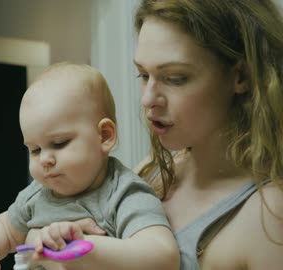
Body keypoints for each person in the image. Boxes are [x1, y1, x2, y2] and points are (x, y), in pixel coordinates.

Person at [25, 1, 283, 269]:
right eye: (143, 74)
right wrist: (52, 238)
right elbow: (31, 233)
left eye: (175, 78)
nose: (148, 99)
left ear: (241, 76)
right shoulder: (152, 173)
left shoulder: (270, 214)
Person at [0, 62, 179, 270]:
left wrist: (83, 246)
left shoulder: (124, 193)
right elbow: (5, 229)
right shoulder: (36, 196)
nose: (44, 159)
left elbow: (163, 257)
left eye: (59, 143)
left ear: (104, 136)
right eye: (35, 149)